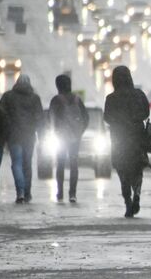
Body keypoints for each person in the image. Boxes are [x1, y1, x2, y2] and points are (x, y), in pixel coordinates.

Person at [103, 66, 150, 218]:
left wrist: (120, 122)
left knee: (123, 172)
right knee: (138, 169)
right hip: (137, 138)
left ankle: (128, 202)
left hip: (119, 139)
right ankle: (137, 192)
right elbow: (146, 112)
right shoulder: (139, 94)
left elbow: (107, 118)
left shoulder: (111, 98)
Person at [0, 74, 44, 203]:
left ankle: (20, 192)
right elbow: (40, 118)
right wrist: (40, 133)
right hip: (29, 136)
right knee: (27, 164)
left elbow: (1, 114)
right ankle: (27, 192)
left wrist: (4, 132)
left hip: (14, 136)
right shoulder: (35, 98)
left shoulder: (8, 96)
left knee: (17, 164)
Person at [48, 74, 89, 203]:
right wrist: (79, 131)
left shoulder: (56, 100)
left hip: (61, 137)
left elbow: (49, 118)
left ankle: (60, 193)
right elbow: (86, 117)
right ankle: (73, 194)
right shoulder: (77, 99)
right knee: (74, 164)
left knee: (60, 164)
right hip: (75, 137)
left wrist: (54, 131)